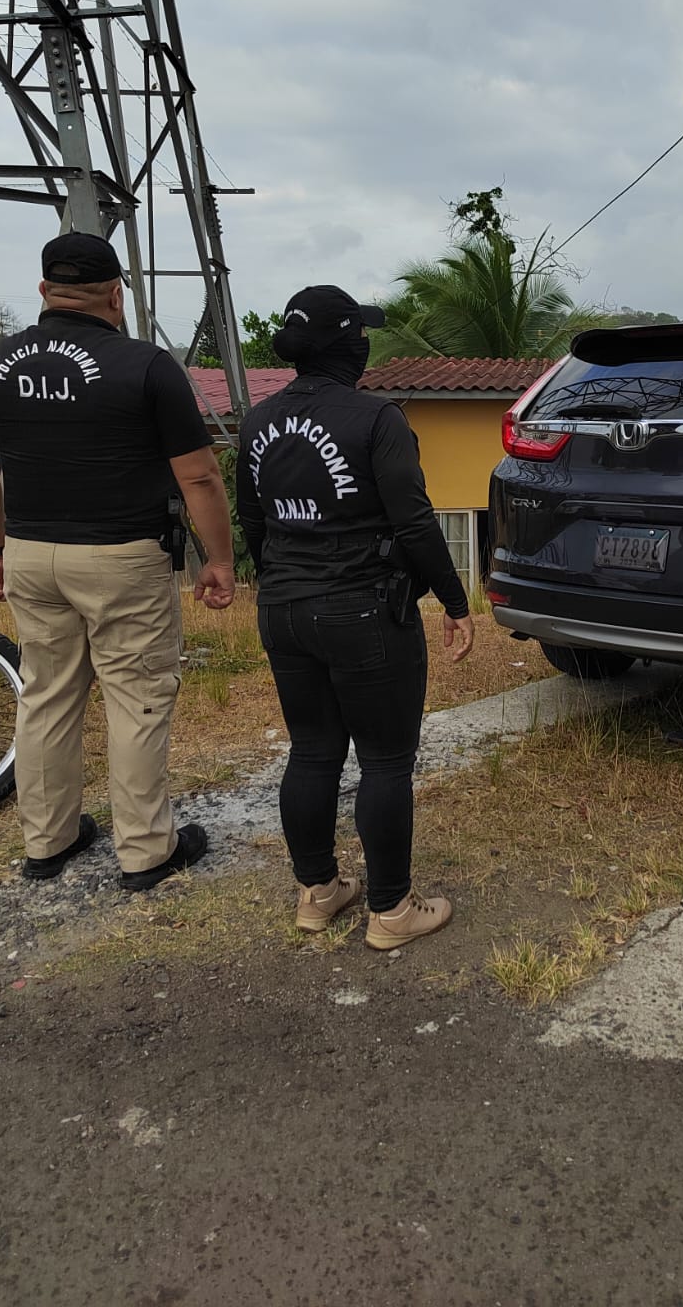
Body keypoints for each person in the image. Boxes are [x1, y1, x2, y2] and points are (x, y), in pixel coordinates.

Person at [0, 233, 235, 890]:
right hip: (122, 557)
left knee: (47, 695)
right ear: (115, 294)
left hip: (29, 552)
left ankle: (47, 842)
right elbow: (198, 476)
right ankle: (145, 851)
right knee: (136, 698)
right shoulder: (147, 366)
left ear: (44, 290)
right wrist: (219, 559)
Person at [235, 285, 475, 945]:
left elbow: (253, 522)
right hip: (364, 610)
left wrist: (284, 580)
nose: (368, 344)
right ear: (348, 343)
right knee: (385, 760)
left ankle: (317, 894)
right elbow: (415, 521)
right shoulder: (377, 418)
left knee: (312, 751)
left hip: (283, 609)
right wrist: (454, 601)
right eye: (361, 334)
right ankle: (391, 911)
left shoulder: (258, 422)